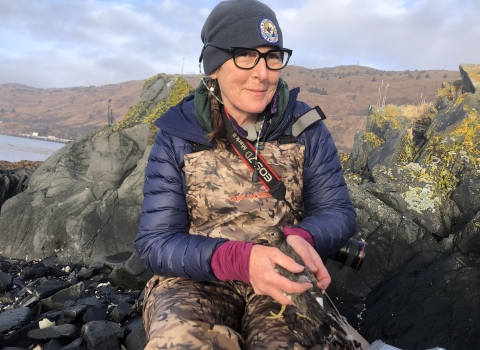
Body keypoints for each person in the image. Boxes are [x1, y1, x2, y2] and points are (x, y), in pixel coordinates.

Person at [134, 0, 357, 348]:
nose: (262, 72)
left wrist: (304, 237)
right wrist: (238, 259)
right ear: (213, 67)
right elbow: (156, 241)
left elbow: (337, 212)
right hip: (195, 278)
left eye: (272, 56)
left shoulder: (305, 127)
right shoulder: (178, 134)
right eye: (245, 55)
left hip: (286, 271)